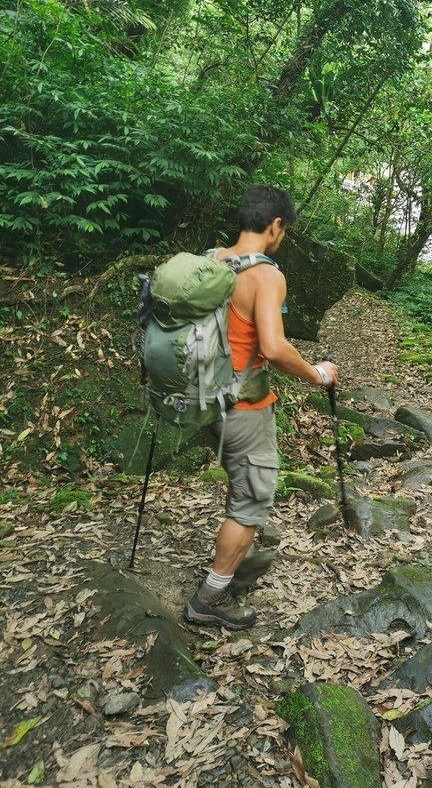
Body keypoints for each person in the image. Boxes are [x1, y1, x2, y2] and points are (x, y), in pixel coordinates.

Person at [184, 185, 338, 630]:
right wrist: (317, 373)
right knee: (252, 499)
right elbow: (272, 347)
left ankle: (237, 558)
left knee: (240, 481)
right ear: (275, 226)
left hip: (204, 400)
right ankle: (208, 599)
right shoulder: (266, 275)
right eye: (283, 231)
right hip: (243, 406)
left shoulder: (213, 259)